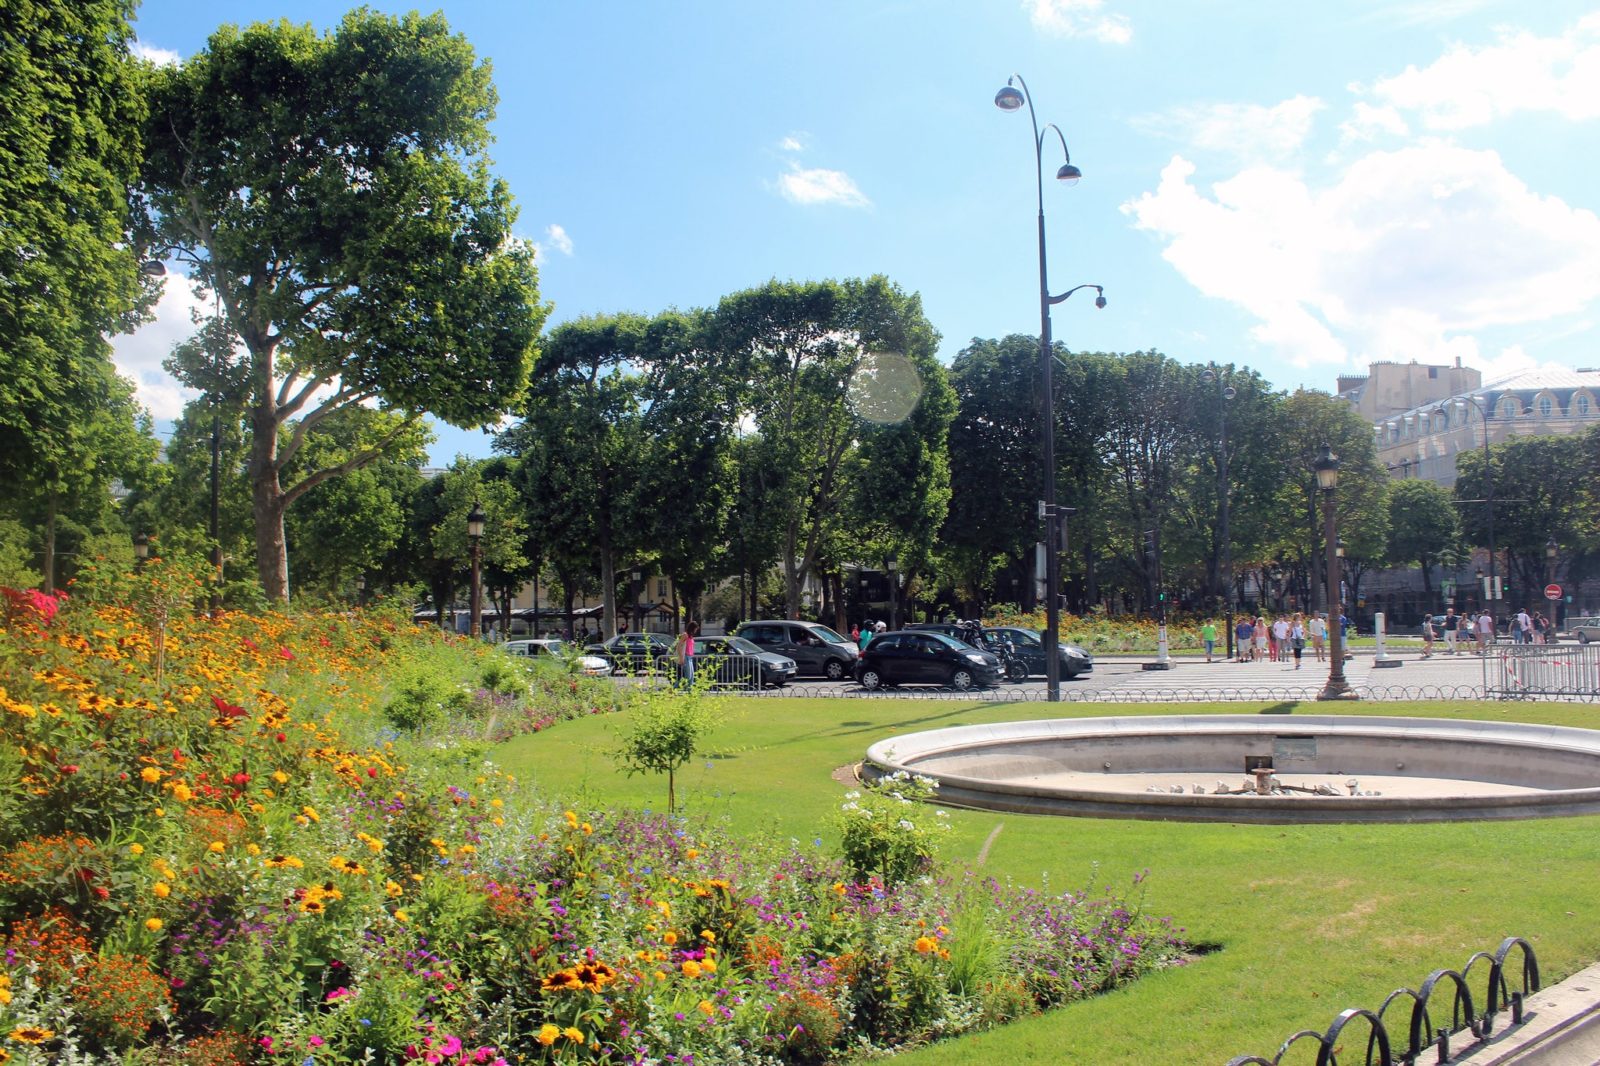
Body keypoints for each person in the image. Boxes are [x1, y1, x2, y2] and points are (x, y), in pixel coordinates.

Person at [671, 621, 698, 689]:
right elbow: (679, 646)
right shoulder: (685, 635)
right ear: (692, 628)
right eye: (695, 629)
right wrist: (681, 658)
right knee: (687, 677)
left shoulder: (690, 636)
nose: (696, 630)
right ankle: (674, 688)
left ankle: (689, 693)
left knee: (691, 677)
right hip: (685, 657)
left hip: (690, 658)